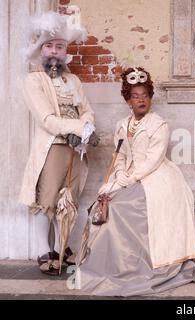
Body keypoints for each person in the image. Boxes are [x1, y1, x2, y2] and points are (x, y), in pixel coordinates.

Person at [76, 67, 195, 296]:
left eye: (145, 95)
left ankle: (137, 266)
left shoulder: (158, 125)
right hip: (128, 175)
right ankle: (112, 265)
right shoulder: (122, 125)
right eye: (136, 96)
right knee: (106, 202)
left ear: (150, 97)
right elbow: (120, 155)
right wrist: (119, 174)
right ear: (128, 100)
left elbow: (153, 159)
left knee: (125, 206)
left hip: (157, 178)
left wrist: (128, 179)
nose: (141, 100)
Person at [19, 11, 99, 276]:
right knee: (48, 199)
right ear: (41, 50)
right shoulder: (34, 80)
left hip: (76, 147)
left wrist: (86, 128)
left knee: (68, 199)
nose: (55, 51)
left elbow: (86, 110)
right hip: (53, 145)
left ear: (66, 52)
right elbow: (47, 119)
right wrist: (79, 128)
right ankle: (45, 249)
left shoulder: (73, 81)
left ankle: (62, 247)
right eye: (49, 46)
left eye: (60, 47)